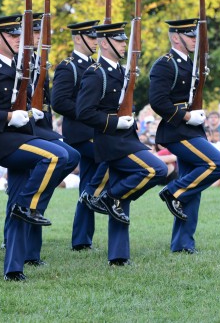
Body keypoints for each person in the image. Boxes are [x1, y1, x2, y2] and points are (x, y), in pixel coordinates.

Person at [0, 14, 70, 281]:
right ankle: (27, 205)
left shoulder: (24, 66)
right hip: (4, 141)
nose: (20, 40)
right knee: (57, 156)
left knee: (65, 159)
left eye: (20, 35)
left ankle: (14, 267)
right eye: (14, 36)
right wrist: (9, 117)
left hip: (27, 136)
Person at [76, 22, 167, 266]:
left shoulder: (122, 71)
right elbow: (84, 112)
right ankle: (109, 197)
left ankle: (118, 255)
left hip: (126, 139)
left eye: (124, 40)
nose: (124, 44)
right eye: (119, 41)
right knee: (156, 170)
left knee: (122, 196)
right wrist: (115, 122)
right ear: (105, 43)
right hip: (112, 142)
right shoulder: (96, 73)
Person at [149, 18, 220, 254]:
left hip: (193, 130)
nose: (196, 40)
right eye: (191, 36)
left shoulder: (191, 64)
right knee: (218, 164)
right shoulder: (165, 64)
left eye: (196, 36)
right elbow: (158, 101)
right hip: (177, 131)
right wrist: (186, 116)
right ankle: (172, 191)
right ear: (176, 38)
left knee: (194, 186)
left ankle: (183, 244)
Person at [25, 15, 80, 265]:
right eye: (33, 32)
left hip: (43, 127)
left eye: (40, 32)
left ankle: (39, 201)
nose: (38, 37)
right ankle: (25, 248)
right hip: (24, 129)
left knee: (71, 157)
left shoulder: (38, 60)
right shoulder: (21, 62)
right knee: (25, 189)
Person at [52, 20, 111, 252]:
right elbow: (59, 101)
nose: (96, 41)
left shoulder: (97, 66)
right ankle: (92, 197)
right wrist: (87, 112)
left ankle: (81, 240)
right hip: (81, 132)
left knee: (87, 181)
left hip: (95, 130)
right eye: (91, 37)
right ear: (78, 39)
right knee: (111, 157)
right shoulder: (68, 66)